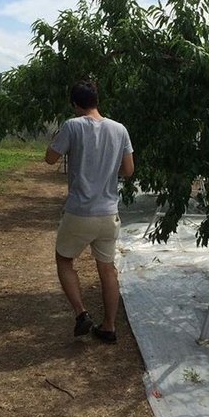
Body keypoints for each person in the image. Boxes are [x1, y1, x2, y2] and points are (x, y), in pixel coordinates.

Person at [45, 80, 134, 344]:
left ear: (75, 104)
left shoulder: (72, 126)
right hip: (109, 213)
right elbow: (129, 171)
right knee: (107, 269)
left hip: (80, 212)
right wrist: (105, 170)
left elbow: (50, 158)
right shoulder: (119, 129)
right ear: (97, 100)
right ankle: (108, 327)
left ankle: (81, 313)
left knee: (64, 260)